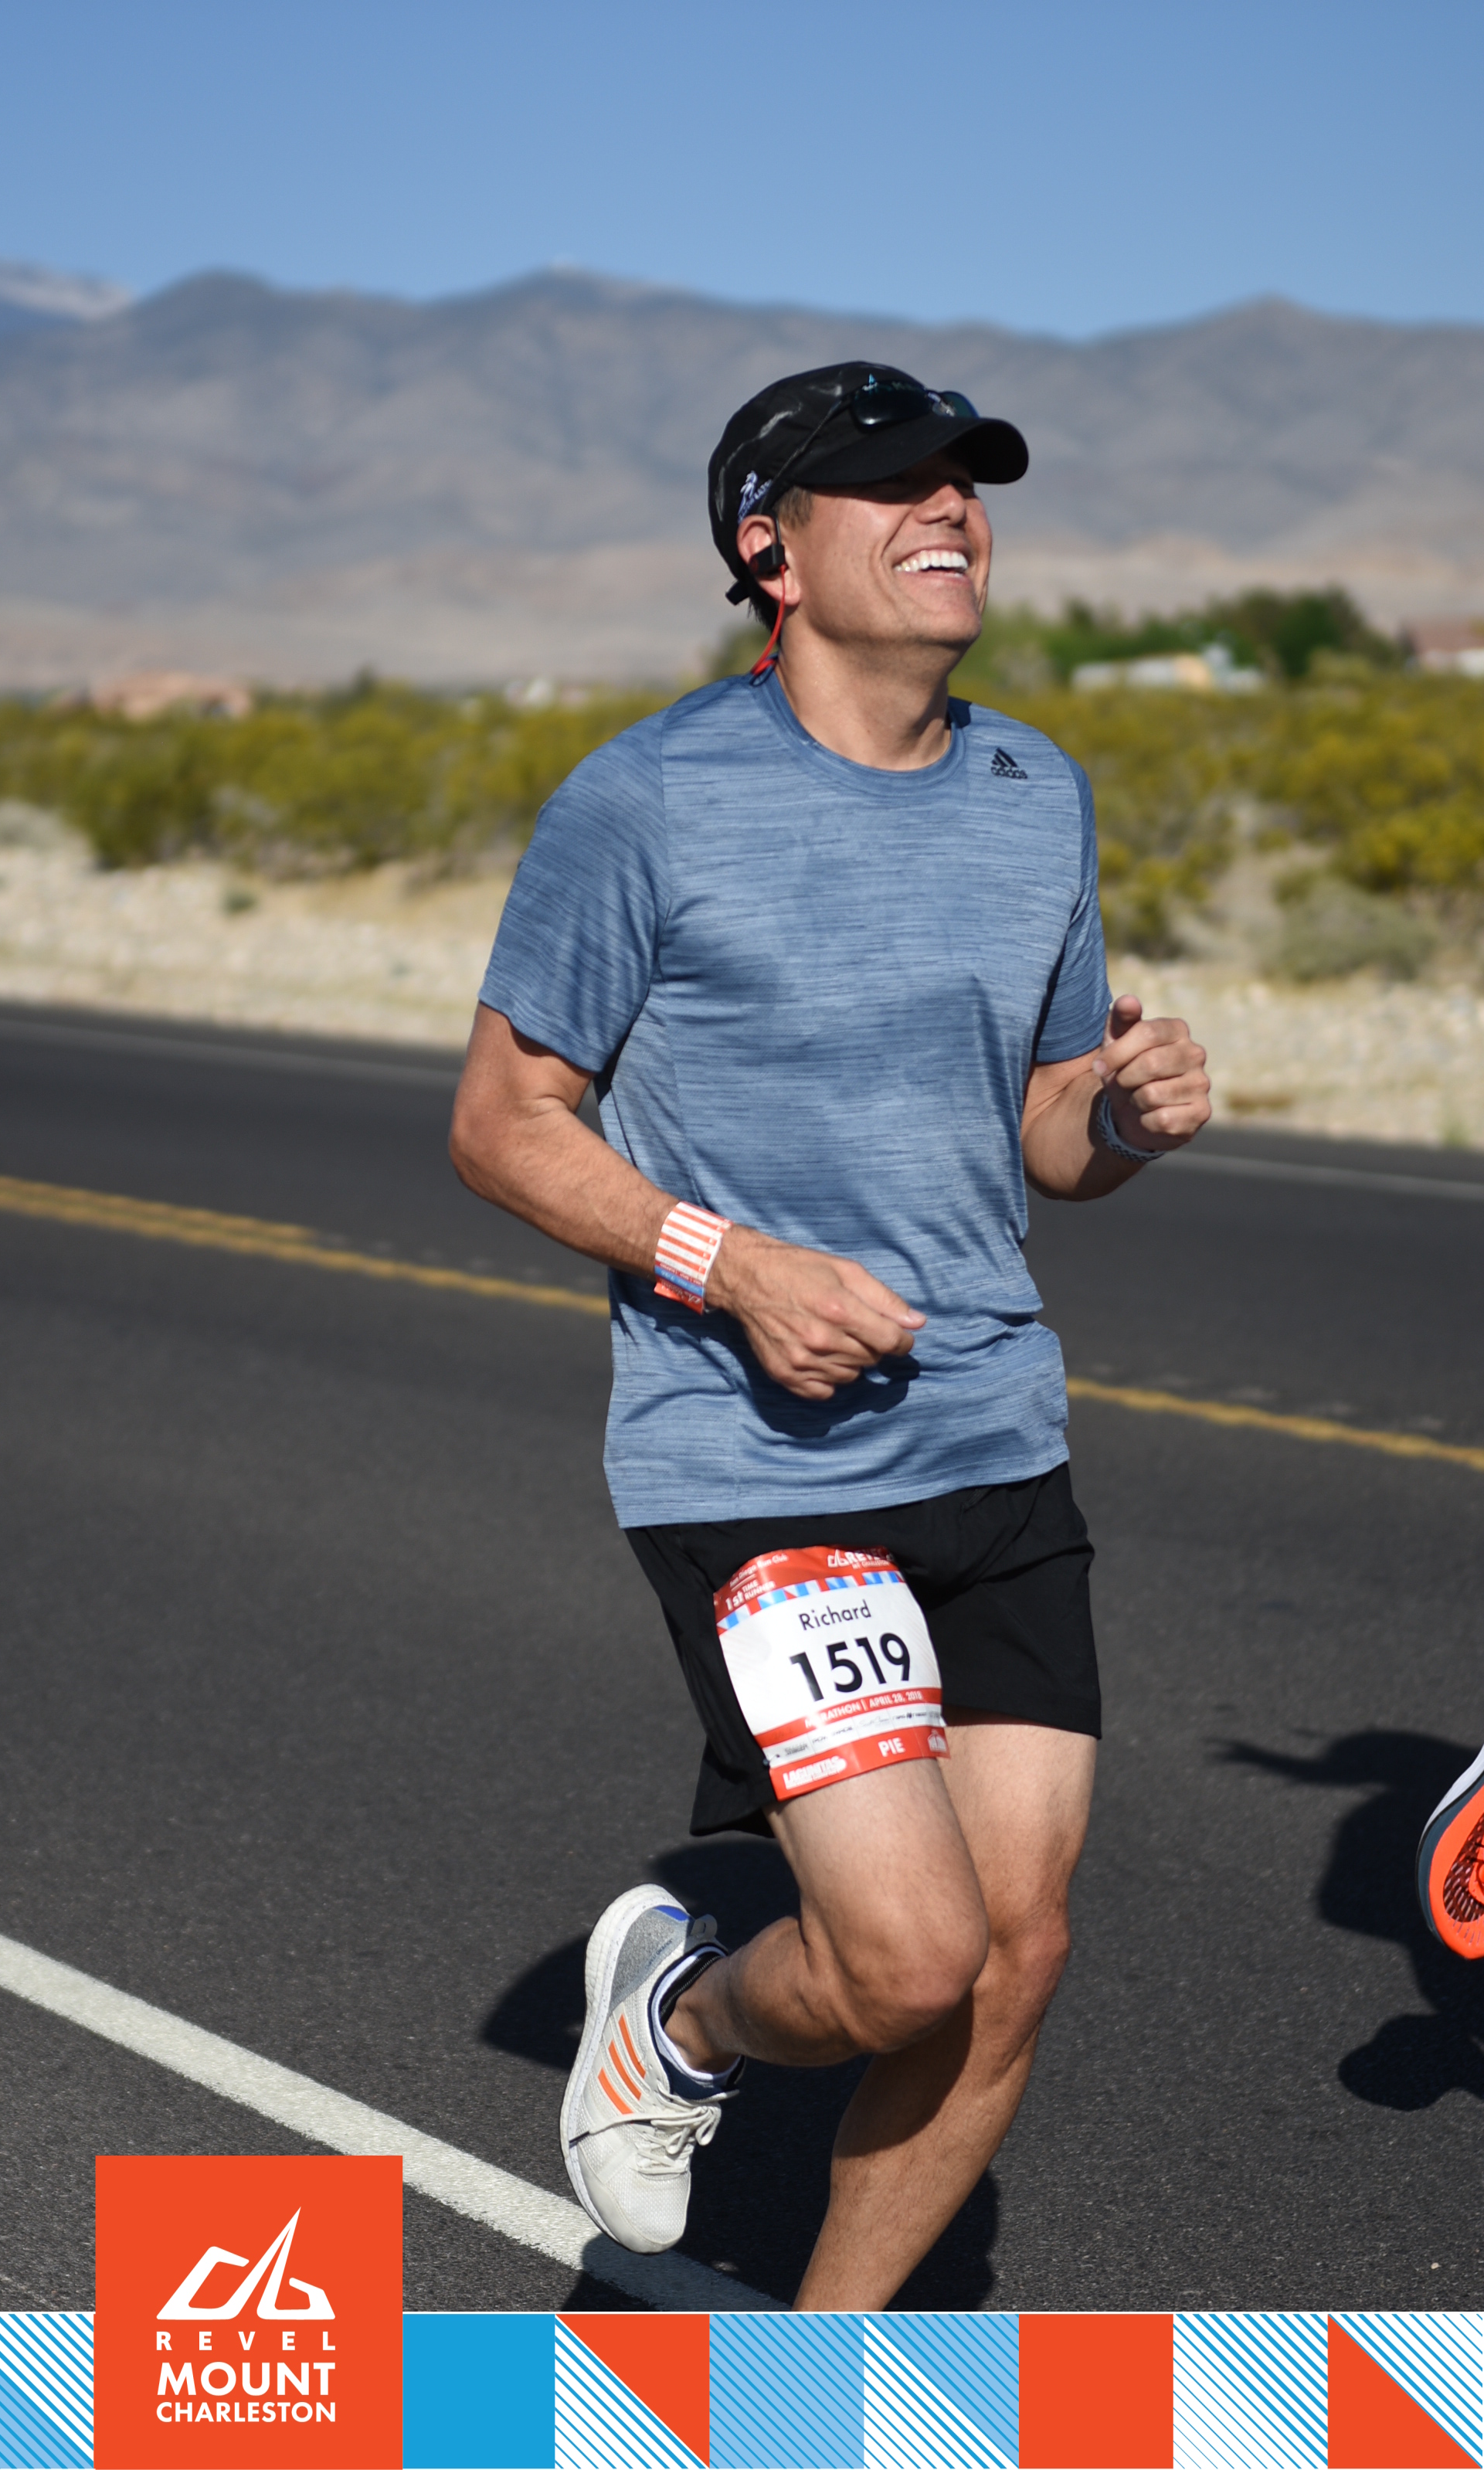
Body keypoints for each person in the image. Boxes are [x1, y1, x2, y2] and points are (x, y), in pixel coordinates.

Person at [450, 361, 1212, 2307]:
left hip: (996, 1439)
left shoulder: (1037, 792)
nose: (948, 506)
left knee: (1015, 1958)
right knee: (907, 1961)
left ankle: (818, 2380)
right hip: (756, 1464)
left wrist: (1125, 1118)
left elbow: (1043, 1134)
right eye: (892, 481)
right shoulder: (646, 800)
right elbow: (504, 1121)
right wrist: (730, 1267)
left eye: (966, 479)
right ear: (768, 552)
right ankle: (679, 2024)